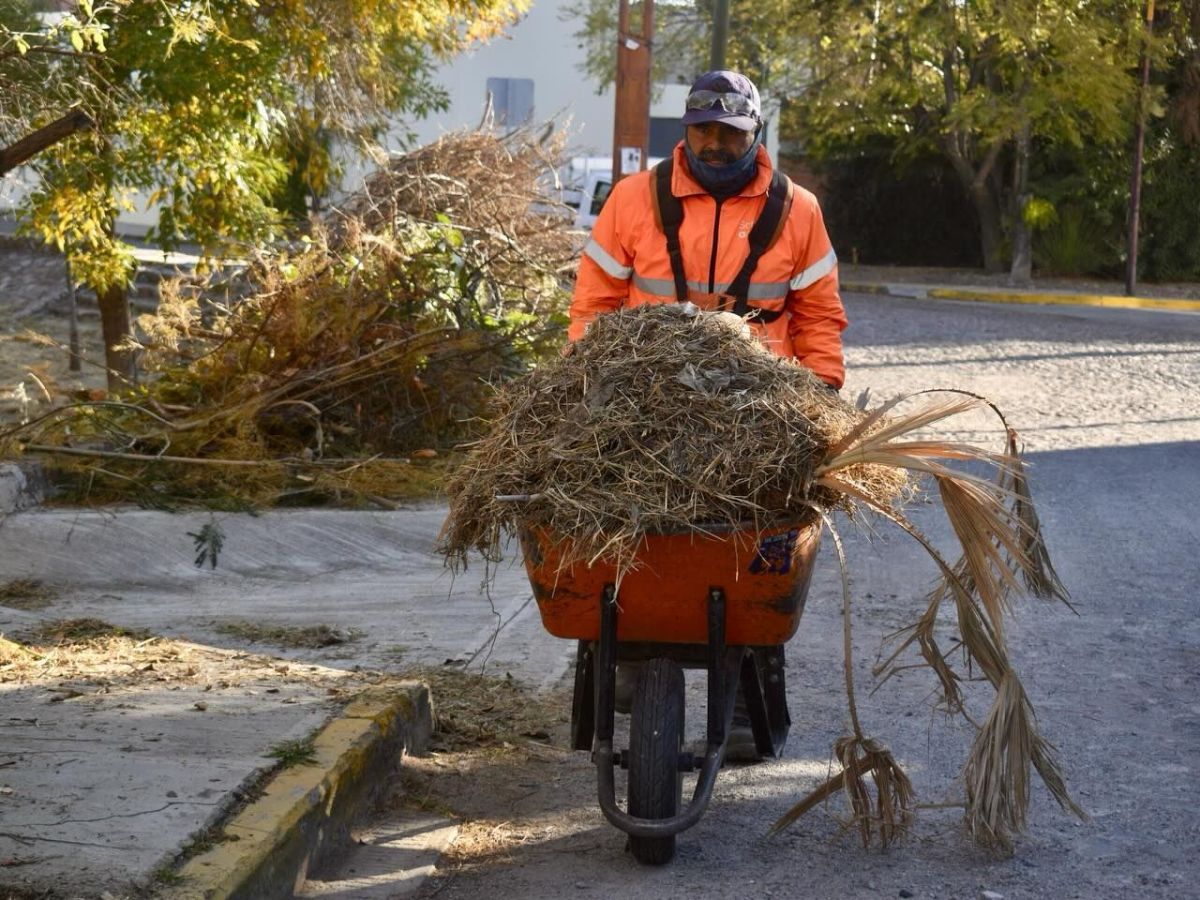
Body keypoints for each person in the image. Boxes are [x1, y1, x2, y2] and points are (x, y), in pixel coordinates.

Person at [568, 69, 847, 390]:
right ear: (686, 130)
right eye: (703, 129)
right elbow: (595, 301)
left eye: (731, 131)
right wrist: (582, 376)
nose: (715, 143)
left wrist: (824, 386)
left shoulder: (798, 208)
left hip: (761, 396)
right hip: (648, 389)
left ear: (756, 132)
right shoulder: (632, 198)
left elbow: (817, 314)